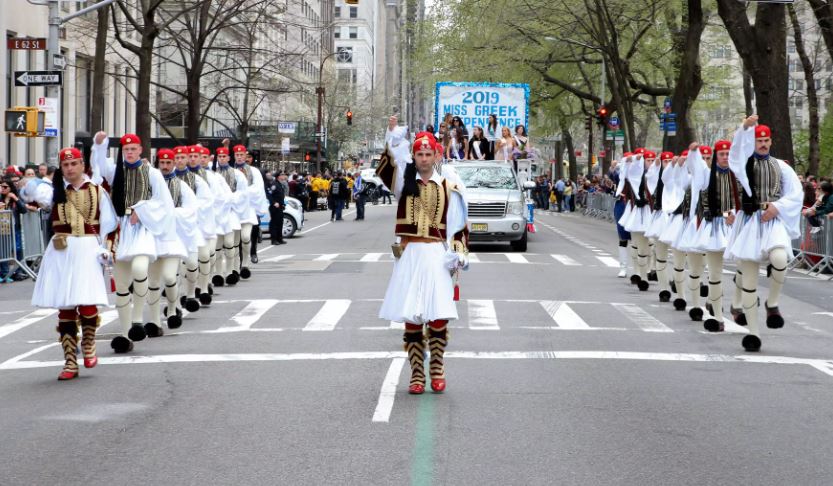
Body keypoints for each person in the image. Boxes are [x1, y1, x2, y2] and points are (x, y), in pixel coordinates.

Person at [377, 116, 469, 394]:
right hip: (409, 253)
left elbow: (457, 223)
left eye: (429, 154)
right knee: (412, 316)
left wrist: (458, 253)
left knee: (438, 314)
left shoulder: (448, 185)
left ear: (437, 155)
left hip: (435, 255)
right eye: (420, 154)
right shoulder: (403, 182)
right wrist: (393, 134)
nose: (424, 158)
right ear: (414, 156)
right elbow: (386, 165)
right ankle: (417, 373)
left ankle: (437, 367)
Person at [31, 147, 117, 380]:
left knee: (87, 301)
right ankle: (70, 361)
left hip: (88, 249)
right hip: (61, 251)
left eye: (74, 164)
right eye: (65, 165)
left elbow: (110, 225)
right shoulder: (54, 191)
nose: (70, 169)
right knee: (65, 306)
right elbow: (34, 194)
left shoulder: (98, 192)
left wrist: (107, 250)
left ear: (82, 165)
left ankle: (88, 341)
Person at [92, 131, 176, 354]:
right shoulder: (115, 170)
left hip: (142, 228)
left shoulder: (152, 173)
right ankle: (125, 332)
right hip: (120, 229)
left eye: (133, 149)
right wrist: (99, 144)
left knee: (140, 268)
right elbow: (100, 164)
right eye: (126, 149)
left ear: (140, 150)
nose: (129, 153)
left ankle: (138, 319)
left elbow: (163, 202)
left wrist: (141, 210)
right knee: (121, 284)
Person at [724, 116, 802, 352]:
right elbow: (736, 152)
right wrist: (745, 128)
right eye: (759, 140)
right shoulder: (743, 164)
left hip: (773, 220)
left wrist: (777, 207)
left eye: (766, 140)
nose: (763, 144)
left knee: (780, 259)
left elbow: (795, 194)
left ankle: (772, 302)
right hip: (749, 221)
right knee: (748, 280)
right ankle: (753, 333)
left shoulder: (782, 166)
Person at [144, 149, 192, 337]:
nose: (164, 166)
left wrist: (171, 214)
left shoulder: (180, 186)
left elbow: (191, 209)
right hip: (154, 239)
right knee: (153, 282)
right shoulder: (149, 186)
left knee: (170, 277)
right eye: (161, 163)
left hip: (172, 239)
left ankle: (172, 309)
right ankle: (155, 321)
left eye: (168, 162)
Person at [0, 177, 28, 282]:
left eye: (5, 187)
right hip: (3, 230)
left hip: (15, 228)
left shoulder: (15, 198)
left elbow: (24, 210)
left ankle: (18, 271)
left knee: (18, 249)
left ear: (10, 188)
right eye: (1, 186)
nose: (2, 189)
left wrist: (15, 198)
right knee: (4, 251)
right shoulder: (1, 198)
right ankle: (5, 273)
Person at [265, 171, 286, 244]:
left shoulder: (279, 184)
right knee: (274, 223)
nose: (284, 176)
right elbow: (269, 195)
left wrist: (282, 204)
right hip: (275, 207)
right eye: (282, 175)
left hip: (280, 206)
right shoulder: (274, 184)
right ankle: (274, 239)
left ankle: (279, 238)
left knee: (280, 222)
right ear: (278, 176)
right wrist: (274, 203)